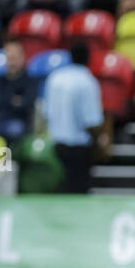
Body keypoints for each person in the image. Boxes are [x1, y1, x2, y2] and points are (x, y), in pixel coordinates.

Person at [41, 41, 104, 193]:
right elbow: (92, 121)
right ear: (88, 59)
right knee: (77, 196)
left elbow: (45, 112)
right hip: (78, 149)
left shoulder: (54, 78)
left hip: (54, 146)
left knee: (56, 192)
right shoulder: (87, 81)